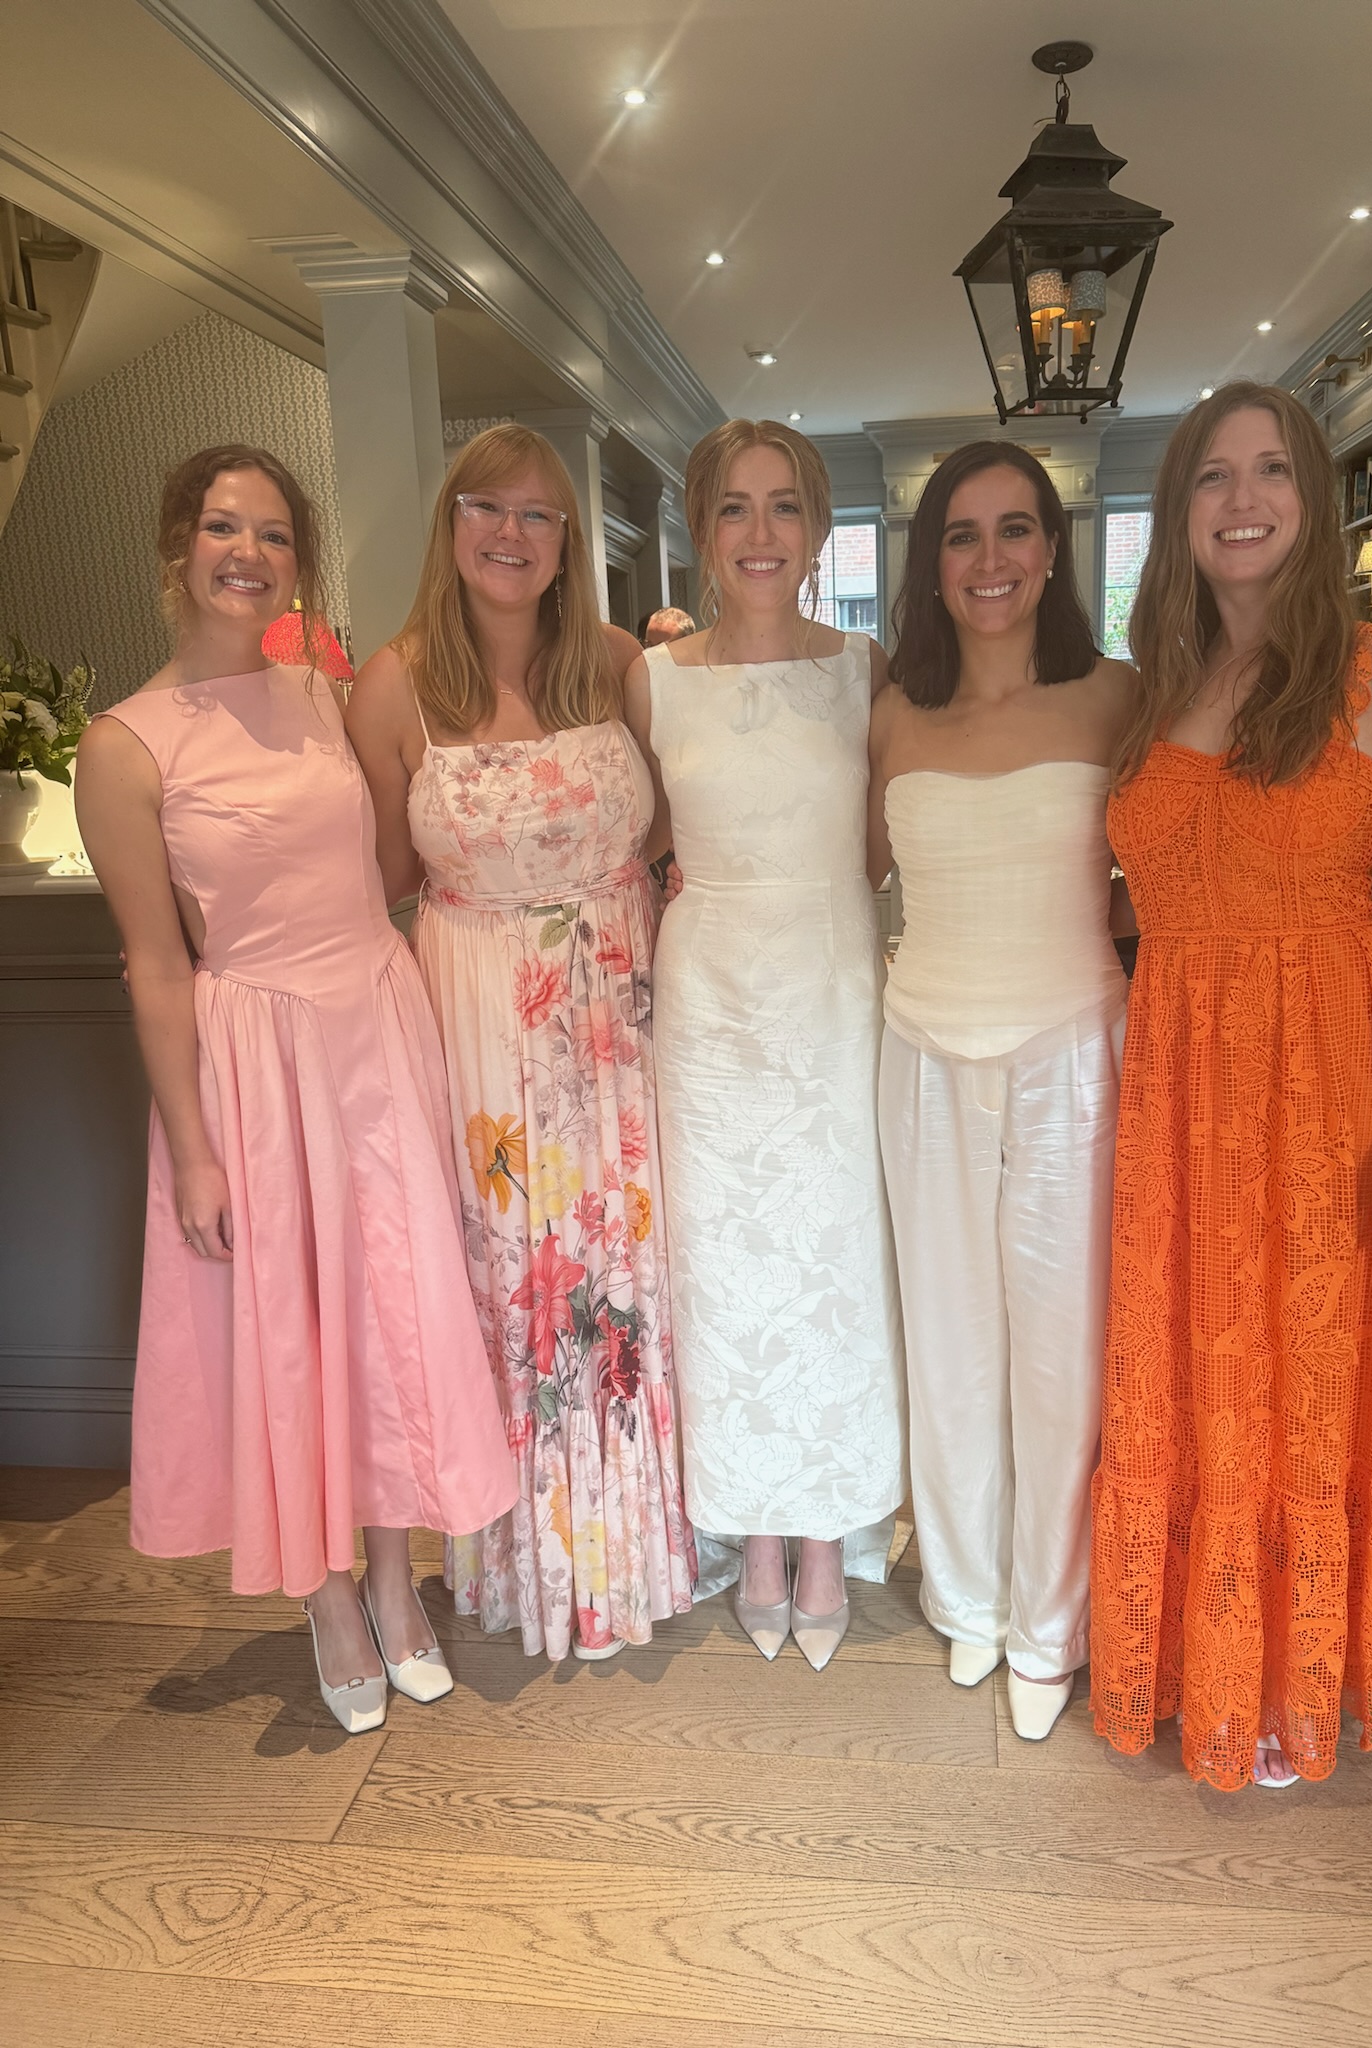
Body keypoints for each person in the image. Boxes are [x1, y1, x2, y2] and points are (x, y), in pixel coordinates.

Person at [74, 444, 518, 1734]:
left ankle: (395, 1576)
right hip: (255, 1059)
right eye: (222, 527)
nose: (248, 553)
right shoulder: (127, 742)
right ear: (177, 545)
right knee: (295, 1328)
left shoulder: (326, 694)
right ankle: (325, 1595)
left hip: (378, 1026)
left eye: (272, 534)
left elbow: (387, 860)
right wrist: (196, 1147)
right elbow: (156, 968)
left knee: (391, 1312)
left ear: (296, 560)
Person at [1090, 383, 1372, 1790]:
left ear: (1314, 502)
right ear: (1178, 513)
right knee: (1193, 1358)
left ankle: (1304, 1667)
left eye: (1271, 475)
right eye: (1212, 479)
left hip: (1327, 1070)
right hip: (1176, 1073)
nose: (1242, 501)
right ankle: (1208, 1656)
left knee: (1305, 1369)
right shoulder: (1151, 691)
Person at [347, 424, 695, 1663]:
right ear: (450, 526)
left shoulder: (614, 665)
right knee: (512, 1281)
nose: (510, 532)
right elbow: (370, 878)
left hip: (620, 1015)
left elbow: (690, 821)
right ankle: (533, 1562)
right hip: (480, 1026)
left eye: (538, 515)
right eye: (484, 507)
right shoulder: (391, 687)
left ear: (567, 545)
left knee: (629, 1273)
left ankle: (639, 1552)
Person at [625, 419, 906, 1672]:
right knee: (728, 1268)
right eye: (732, 508)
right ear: (700, 527)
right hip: (709, 1002)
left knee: (835, 1258)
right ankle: (752, 1523)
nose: (757, 533)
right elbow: (627, 837)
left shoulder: (866, 664)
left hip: (833, 987)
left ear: (817, 527)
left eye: (782, 506)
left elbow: (889, 839)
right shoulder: (653, 679)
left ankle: (823, 1527)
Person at [869, 442, 1133, 1742]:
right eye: (961, 537)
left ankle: (1053, 1620)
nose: (990, 560)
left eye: (1015, 530)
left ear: (1053, 549)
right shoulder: (890, 713)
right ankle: (967, 1599)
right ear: (929, 566)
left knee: (1065, 1357)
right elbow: (837, 870)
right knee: (950, 1347)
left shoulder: (1117, 699)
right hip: (918, 1049)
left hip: (1075, 1054)